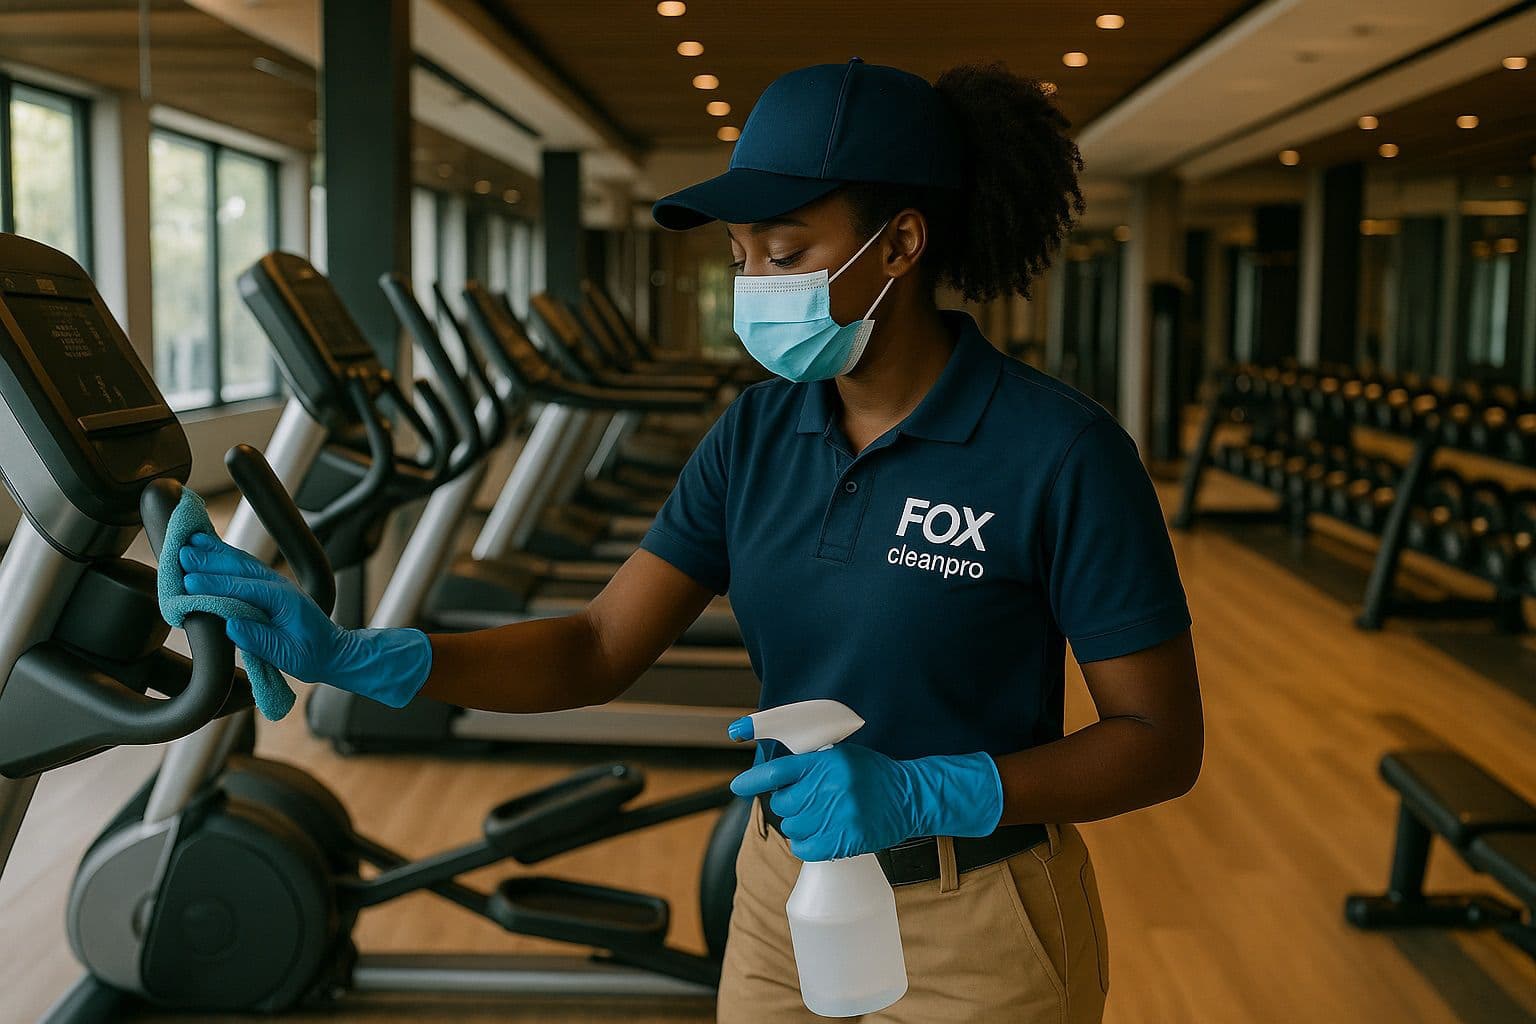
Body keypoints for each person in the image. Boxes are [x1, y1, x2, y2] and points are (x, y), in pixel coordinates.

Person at [180, 58, 1202, 1023]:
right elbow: (597, 646)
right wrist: (359, 655)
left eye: (786, 254)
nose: (757, 284)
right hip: (782, 890)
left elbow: (1159, 741)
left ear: (900, 243)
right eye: (741, 257)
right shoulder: (755, 434)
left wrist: (929, 791)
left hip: (975, 916)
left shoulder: (1060, 452)